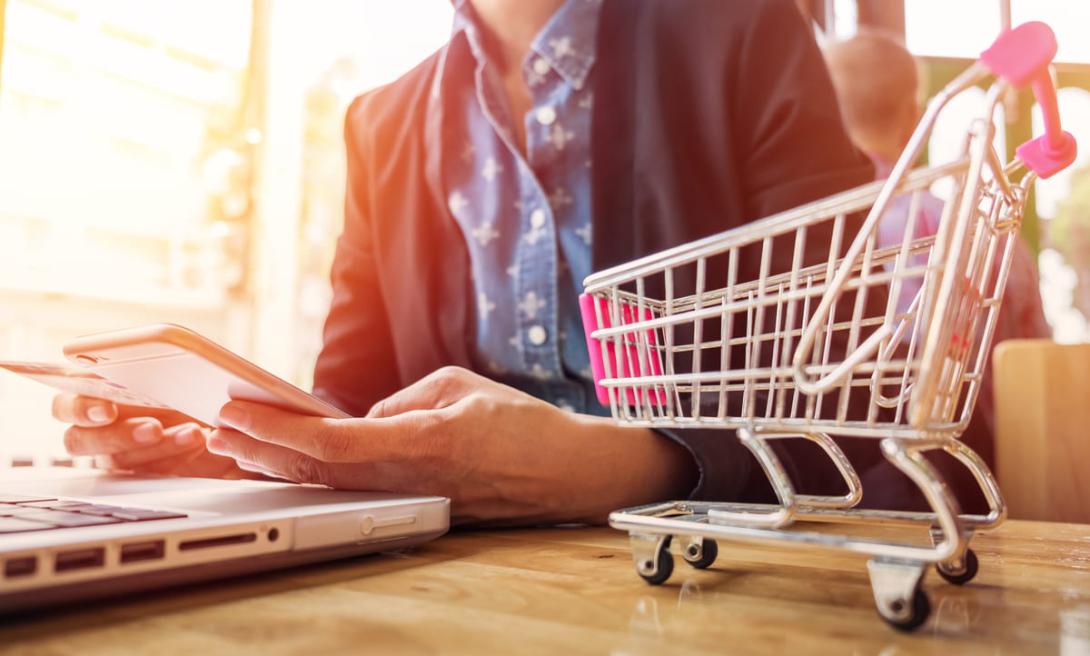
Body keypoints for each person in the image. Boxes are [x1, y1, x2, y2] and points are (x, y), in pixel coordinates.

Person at [52, 0, 875, 525]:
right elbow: (354, 395)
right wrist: (236, 443)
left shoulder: (742, 33)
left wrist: (628, 465)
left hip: (710, 564)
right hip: (451, 575)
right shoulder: (381, 122)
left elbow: (851, 385)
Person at [823, 31, 1051, 443]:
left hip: (849, 441)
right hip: (979, 449)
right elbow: (1035, 359)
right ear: (915, 117)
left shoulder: (813, 240)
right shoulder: (989, 234)